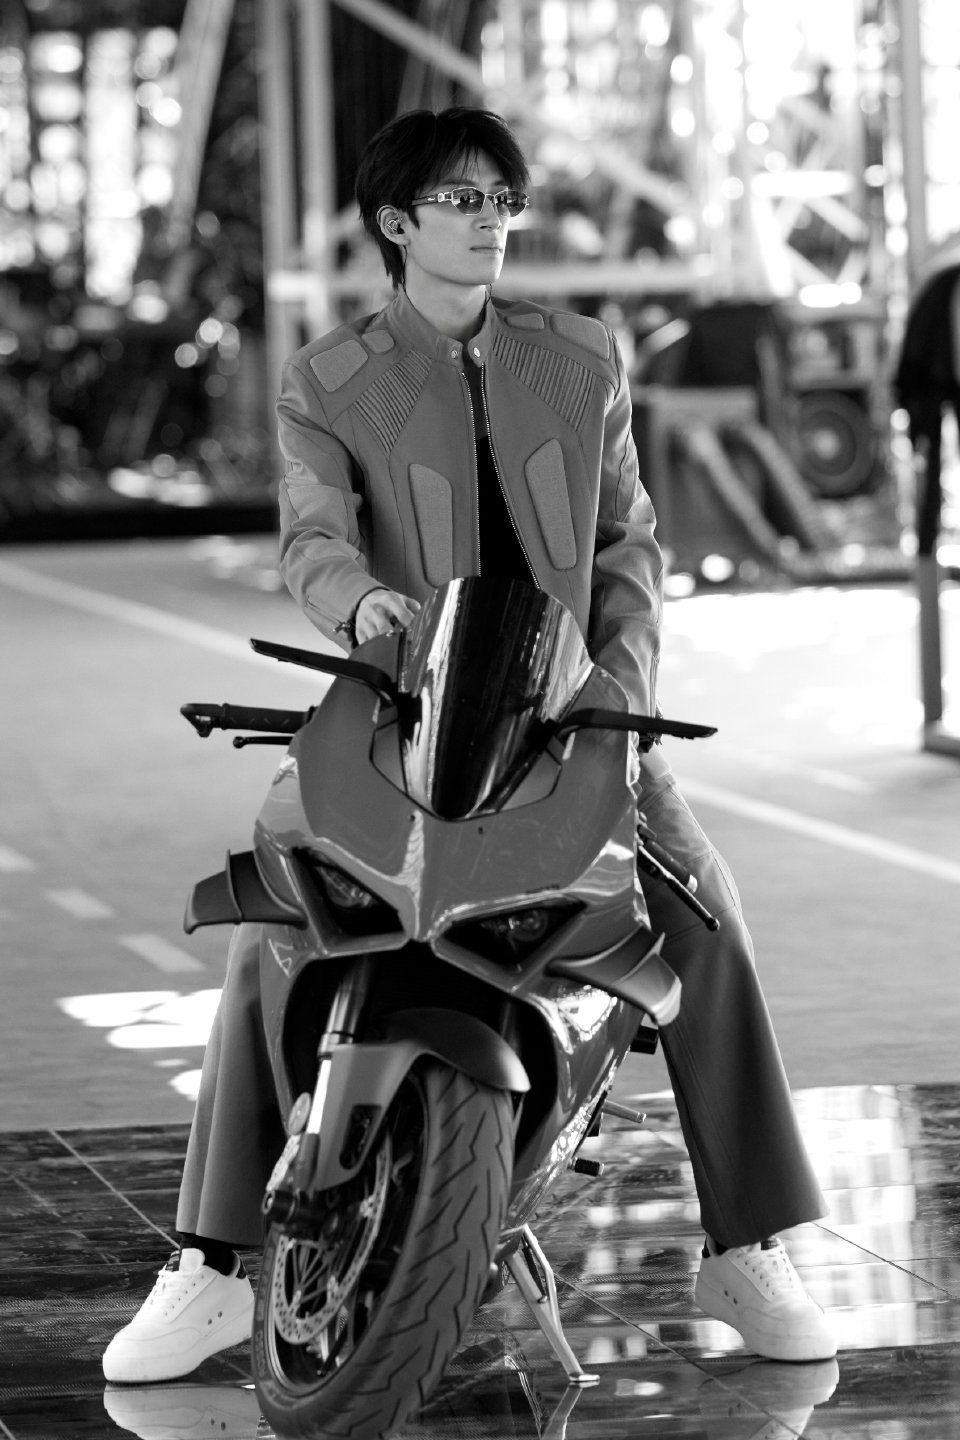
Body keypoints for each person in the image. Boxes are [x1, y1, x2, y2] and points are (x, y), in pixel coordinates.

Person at [102, 107, 836, 1386]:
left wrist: (620, 692)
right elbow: (311, 536)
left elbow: (626, 547)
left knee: (704, 918)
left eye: (503, 199)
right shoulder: (331, 378)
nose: (490, 220)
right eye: (460, 199)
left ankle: (747, 1244)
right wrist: (358, 606)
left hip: (573, 714)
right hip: (397, 709)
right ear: (397, 222)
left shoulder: (582, 359)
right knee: (279, 925)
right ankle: (213, 1265)